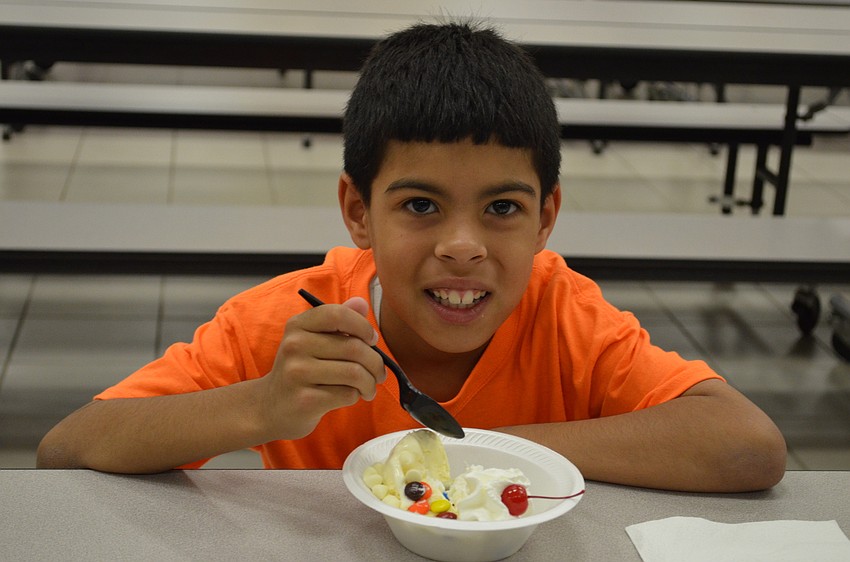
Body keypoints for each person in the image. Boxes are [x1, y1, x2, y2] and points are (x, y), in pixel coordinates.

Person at [37, 21, 786, 492]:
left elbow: (748, 447)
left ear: (546, 218)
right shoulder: (302, 322)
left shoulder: (563, 315)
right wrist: (261, 407)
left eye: (502, 209)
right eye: (420, 206)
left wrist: (485, 453)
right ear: (358, 212)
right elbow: (68, 452)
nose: (462, 247)